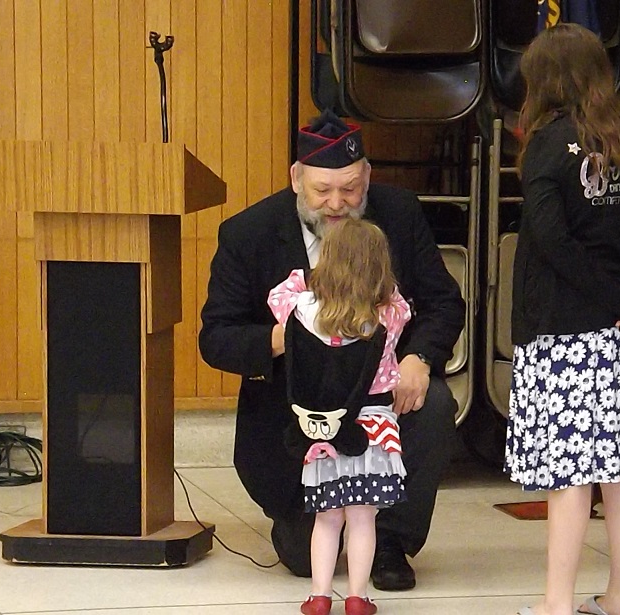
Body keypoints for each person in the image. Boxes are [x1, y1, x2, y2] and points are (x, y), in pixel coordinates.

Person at [199, 110, 465, 592]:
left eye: (351, 189)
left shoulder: (399, 213)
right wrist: (291, 336)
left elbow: (444, 301)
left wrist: (419, 358)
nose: (337, 203)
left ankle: (390, 540)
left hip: (380, 399)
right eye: (322, 190)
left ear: (367, 177)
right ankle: (308, 521)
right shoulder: (249, 232)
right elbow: (216, 336)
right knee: (305, 558)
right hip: (296, 413)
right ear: (296, 180)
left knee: (434, 403)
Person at [503, 23, 620, 615]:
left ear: (545, 81)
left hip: (564, 331)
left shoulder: (549, 143)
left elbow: (551, 240)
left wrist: (616, 300)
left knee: (569, 477)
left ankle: (557, 603)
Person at [268, 218, 410, 615]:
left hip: (324, 430)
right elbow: (401, 302)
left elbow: (279, 294)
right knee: (363, 520)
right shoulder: (388, 315)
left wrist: (311, 277)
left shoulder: (303, 310)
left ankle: (319, 596)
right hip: (373, 428)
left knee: (326, 520)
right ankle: (358, 597)